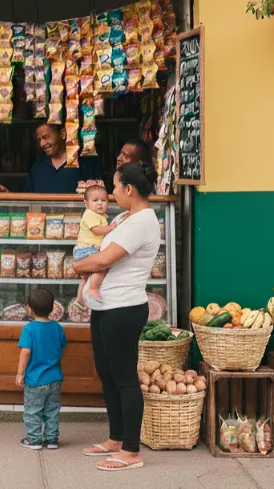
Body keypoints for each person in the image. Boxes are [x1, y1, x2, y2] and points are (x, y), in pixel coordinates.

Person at [73, 161, 161, 471]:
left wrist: (79, 266)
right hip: (105, 307)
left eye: (114, 186)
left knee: (124, 378)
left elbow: (105, 258)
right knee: (107, 374)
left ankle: (132, 451)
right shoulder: (126, 217)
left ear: (129, 189)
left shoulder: (142, 222)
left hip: (123, 308)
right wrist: (88, 265)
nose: (111, 192)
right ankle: (116, 437)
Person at [15, 288, 68, 450]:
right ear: (52, 308)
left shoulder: (29, 329)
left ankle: (34, 440)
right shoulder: (58, 328)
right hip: (55, 378)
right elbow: (63, 347)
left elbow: (26, 352)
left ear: (29, 309)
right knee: (52, 410)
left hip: (35, 379)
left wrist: (19, 373)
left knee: (33, 411)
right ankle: (52, 440)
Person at [0, 124, 102, 194]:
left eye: (46, 137)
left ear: (63, 134)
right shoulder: (39, 166)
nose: (42, 144)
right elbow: (27, 199)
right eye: (39, 140)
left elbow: (98, 198)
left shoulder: (85, 163)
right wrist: (8, 196)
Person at [74, 180, 115, 304]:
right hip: (86, 249)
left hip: (87, 249)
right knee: (101, 267)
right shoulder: (90, 214)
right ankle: (93, 288)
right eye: (95, 200)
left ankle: (79, 300)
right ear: (86, 204)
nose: (100, 204)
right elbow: (96, 230)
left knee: (86, 277)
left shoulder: (100, 216)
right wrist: (111, 228)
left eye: (103, 200)